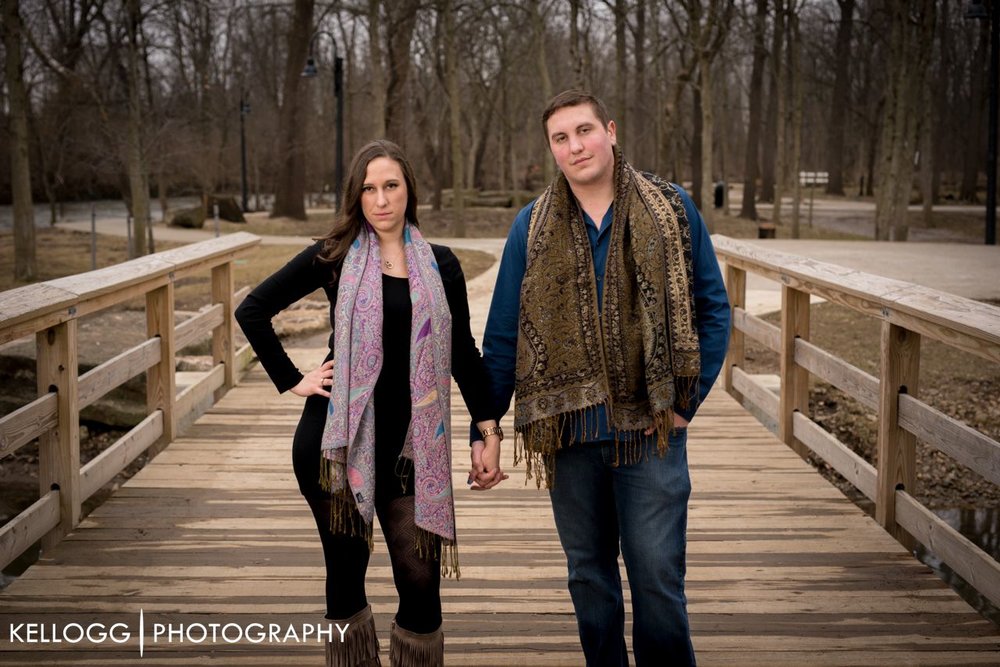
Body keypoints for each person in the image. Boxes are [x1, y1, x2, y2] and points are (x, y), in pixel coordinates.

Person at [470, 90, 731, 665]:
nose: (575, 146)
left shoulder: (672, 208)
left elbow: (713, 309)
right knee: (589, 579)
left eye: (583, 131)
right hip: (569, 436)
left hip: (652, 432)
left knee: (658, 582)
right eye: (560, 139)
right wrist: (483, 427)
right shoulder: (530, 227)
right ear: (552, 151)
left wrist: (687, 402)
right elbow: (504, 335)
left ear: (610, 131)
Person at [236, 139, 503, 667]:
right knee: (346, 574)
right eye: (368, 189)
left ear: (409, 192)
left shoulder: (441, 266)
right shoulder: (332, 257)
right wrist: (294, 379)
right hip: (334, 446)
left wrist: (489, 428)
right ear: (355, 197)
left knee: (421, 583)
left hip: (408, 451)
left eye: (390, 186)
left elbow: (463, 354)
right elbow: (253, 310)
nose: (380, 200)